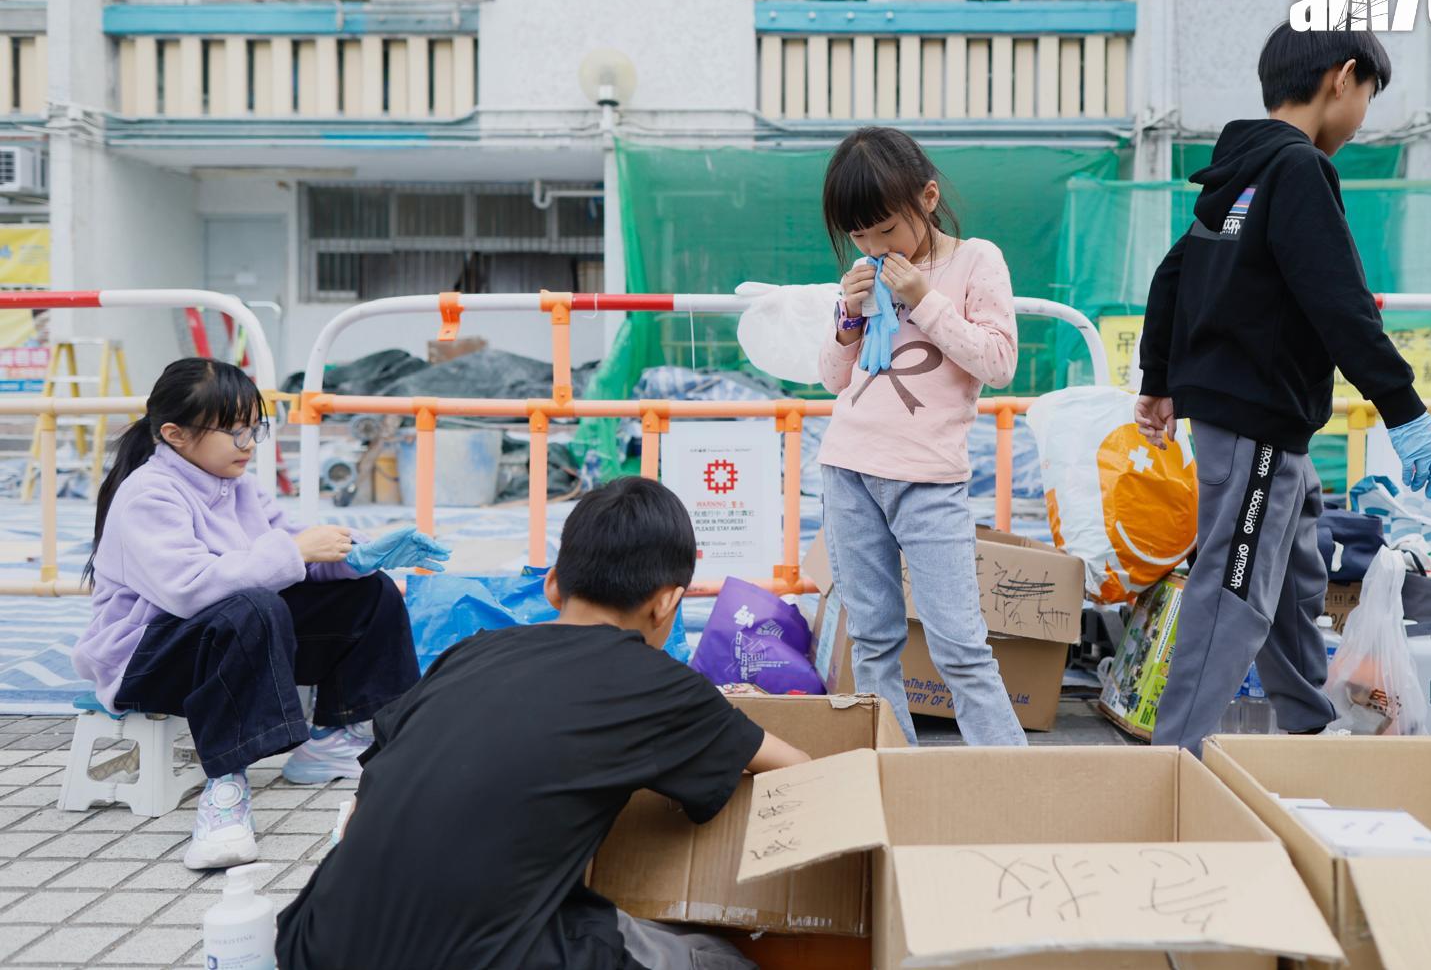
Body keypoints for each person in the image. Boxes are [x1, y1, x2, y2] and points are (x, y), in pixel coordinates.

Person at [276, 477, 811, 970]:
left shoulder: (470, 652)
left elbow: (365, 801)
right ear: (668, 602)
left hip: (313, 944)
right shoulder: (658, 683)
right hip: (481, 956)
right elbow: (799, 769)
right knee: (722, 959)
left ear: (553, 585)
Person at [1136, 25, 1431, 755]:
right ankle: (1172, 760)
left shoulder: (1241, 169)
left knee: (1290, 576)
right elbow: (1339, 301)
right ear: (1341, 78)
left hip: (1254, 423)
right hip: (1257, 420)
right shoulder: (1296, 168)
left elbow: (1174, 272)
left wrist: (1159, 378)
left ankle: (1311, 726)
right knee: (1233, 589)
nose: (1363, 116)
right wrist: (1404, 409)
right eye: (1368, 95)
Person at [74, 358, 442, 870]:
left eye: (254, 428)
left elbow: (287, 556)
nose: (247, 444)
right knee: (251, 606)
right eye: (233, 431)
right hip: (145, 662)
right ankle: (225, 788)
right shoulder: (148, 494)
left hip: (222, 641)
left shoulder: (238, 485)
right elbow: (189, 589)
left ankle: (337, 737)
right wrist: (297, 550)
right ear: (175, 434)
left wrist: (355, 556)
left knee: (367, 591)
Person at [817, 125, 1026, 747]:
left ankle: (1020, 783)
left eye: (886, 229)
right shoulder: (863, 272)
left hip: (929, 478)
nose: (873, 246)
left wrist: (924, 298)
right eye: (859, 234)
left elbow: (999, 363)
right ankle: (895, 776)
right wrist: (847, 317)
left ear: (928, 198)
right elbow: (833, 379)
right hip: (848, 468)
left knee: (960, 645)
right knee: (872, 642)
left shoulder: (975, 260)